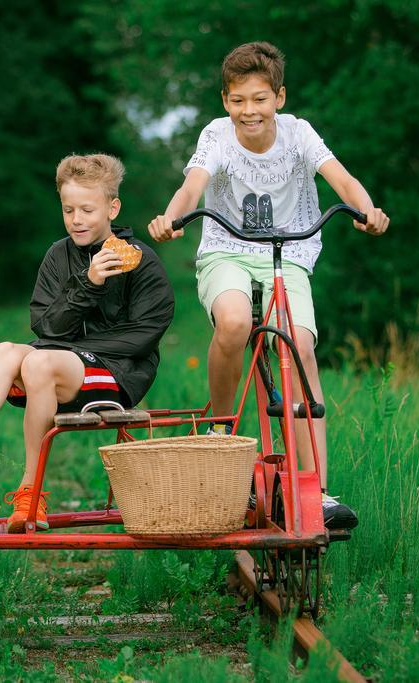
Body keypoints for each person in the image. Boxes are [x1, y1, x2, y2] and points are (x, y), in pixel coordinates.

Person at [147, 42, 389, 530]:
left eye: (259, 99)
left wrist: (368, 210)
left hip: (289, 254)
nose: (248, 110)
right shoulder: (217, 135)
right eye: (238, 100)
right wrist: (172, 219)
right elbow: (193, 186)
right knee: (234, 321)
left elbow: (341, 179)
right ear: (224, 101)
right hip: (227, 250)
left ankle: (315, 490)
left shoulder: (298, 133)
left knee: (299, 348)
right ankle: (221, 427)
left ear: (279, 97)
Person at [0, 153, 175, 534]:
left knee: (38, 363)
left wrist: (80, 346)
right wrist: (88, 283)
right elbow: (45, 325)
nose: (76, 219)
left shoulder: (141, 261)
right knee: (5, 351)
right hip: (64, 361)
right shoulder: (58, 255)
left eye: (87, 210)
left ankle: (31, 491)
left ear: (113, 208)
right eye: (68, 210)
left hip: (121, 373)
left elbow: (146, 333)